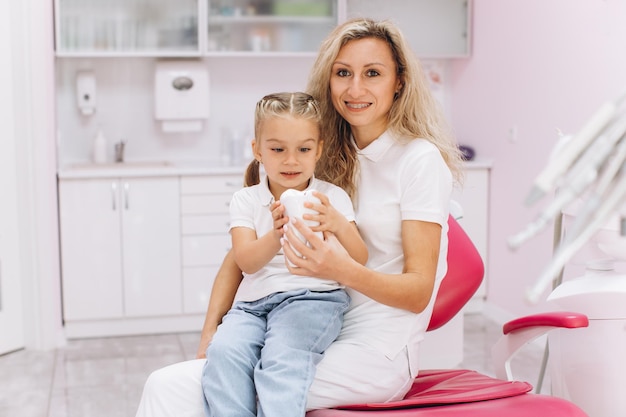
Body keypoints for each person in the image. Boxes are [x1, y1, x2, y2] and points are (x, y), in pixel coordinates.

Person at [135, 17, 464, 416]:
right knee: (195, 377)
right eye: (343, 73)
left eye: (372, 73)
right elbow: (238, 260)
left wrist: (339, 268)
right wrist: (211, 334)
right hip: (300, 329)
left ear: (399, 81)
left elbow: (417, 293)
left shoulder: (419, 161)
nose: (355, 88)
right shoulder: (320, 158)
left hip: (375, 351)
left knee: (175, 390)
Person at [201, 91, 367, 417]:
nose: (291, 161)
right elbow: (246, 261)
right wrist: (276, 235)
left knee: (282, 360)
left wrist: (339, 224)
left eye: (303, 149)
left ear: (318, 150)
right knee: (223, 352)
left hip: (312, 300)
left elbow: (359, 257)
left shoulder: (331, 197)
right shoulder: (246, 201)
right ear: (258, 151)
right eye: (278, 149)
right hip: (251, 306)